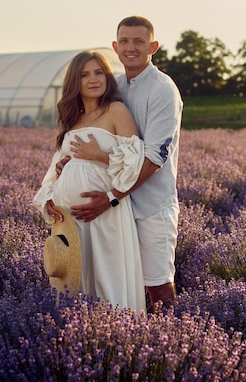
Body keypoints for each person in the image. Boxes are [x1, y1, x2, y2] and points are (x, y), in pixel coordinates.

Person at [66, 16, 183, 310]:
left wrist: (112, 198)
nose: (131, 48)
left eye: (139, 41)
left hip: (149, 205)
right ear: (115, 47)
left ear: (153, 46)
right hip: (115, 210)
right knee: (117, 280)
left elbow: (155, 157)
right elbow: (94, 128)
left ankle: (169, 347)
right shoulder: (114, 86)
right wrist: (68, 162)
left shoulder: (162, 90)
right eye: (126, 42)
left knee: (157, 284)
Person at [33, 50, 146, 313]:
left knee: (107, 274)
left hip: (104, 210)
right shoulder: (72, 119)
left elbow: (134, 163)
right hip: (70, 218)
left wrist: (98, 155)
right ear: (75, 81)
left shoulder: (117, 111)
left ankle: (116, 334)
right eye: (85, 74)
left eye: (98, 73)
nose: (93, 79)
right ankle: (78, 339)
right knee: (73, 278)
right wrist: (48, 197)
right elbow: (55, 168)